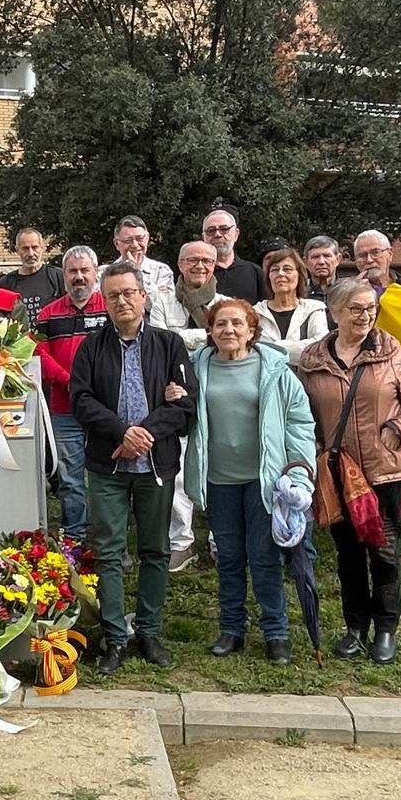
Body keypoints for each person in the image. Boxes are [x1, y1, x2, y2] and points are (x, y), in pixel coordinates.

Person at [298, 279, 401, 664]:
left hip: (384, 472)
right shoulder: (312, 360)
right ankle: (355, 626)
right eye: (356, 309)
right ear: (335, 312)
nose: (365, 316)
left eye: (370, 308)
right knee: (348, 554)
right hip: (338, 474)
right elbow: (302, 416)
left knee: (384, 551)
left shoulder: (388, 351)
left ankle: (386, 629)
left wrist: (399, 430)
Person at [71, 262, 196, 674]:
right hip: (107, 467)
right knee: (108, 552)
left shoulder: (169, 345)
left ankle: (149, 631)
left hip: (155, 466)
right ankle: (115, 637)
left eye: (128, 293)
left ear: (144, 296)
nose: (121, 301)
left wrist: (143, 433)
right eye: (113, 296)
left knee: (155, 550)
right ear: (103, 301)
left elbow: (184, 406)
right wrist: (123, 432)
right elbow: (82, 401)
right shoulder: (91, 347)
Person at [178, 301, 315, 664]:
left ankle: (276, 633)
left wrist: (299, 474)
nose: (229, 330)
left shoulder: (276, 371)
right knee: (229, 559)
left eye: (237, 323)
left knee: (264, 557)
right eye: (220, 324)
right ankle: (232, 629)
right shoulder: (196, 369)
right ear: (210, 332)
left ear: (252, 330)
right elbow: (182, 412)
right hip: (219, 480)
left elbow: (300, 424)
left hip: (264, 482)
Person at [148, 240, 223, 571]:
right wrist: (203, 340)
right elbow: (159, 345)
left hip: (218, 394)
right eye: (193, 260)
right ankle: (182, 542)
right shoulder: (161, 301)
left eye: (207, 260)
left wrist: (182, 340)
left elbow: (229, 343)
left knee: (220, 469)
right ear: (179, 264)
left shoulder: (225, 304)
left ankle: (221, 541)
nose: (200, 266)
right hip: (175, 395)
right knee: (177, 469)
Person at [35, 245, 108, 539]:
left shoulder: (110, 307)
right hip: (65, 408)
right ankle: (75, 537)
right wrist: (73, 383)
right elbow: (39, 355)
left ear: (95, 273)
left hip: (106, 407)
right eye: (72, 271)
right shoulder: (47, 315)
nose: (79, 277)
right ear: (63, 275)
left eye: (84, 271)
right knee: (69, 478)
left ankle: (110, 539)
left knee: (108, 478)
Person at [254, 247, 330, 365]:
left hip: (305, 380)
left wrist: (270, 348)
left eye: (287, 269)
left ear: (299, 275)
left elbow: (320, 348)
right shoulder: (255, 313)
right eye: (274, 270)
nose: (280, 274)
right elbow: (252, 352)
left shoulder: (314, 309)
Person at [0, 226, 66, 323]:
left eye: (35, 247)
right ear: (17, 250)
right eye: (25, 248)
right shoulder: (6, 283)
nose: (31, 253)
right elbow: (2, 320)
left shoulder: (58, 276)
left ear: (42, 248)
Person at [202, 205, 266, 304]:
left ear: (236, 234)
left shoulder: (254, 272)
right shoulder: (196, 272)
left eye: (224, 229)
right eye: (211, 230)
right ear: (203, 237)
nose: (217, 234)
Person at [112, 216, 175, 304]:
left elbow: (164, 306)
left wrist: (137, 272)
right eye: (128, 241)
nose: (135, 245)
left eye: (140, 239)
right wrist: (155, 292)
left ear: (147, 238)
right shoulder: (103, 274)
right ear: (116, 244)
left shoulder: (162, 271)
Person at [350, 230, 398, 295]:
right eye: (362, 255)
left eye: (375, 252)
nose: (369, 260)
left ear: (389, 254)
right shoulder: (346, 295)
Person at [303, 236, 343, 304]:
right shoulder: (298, 292)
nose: (321, 262)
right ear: (305, 261)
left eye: (327, 256)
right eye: (315, 257)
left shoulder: (348, 291)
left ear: (338, 259)